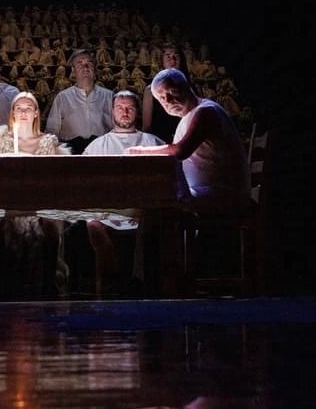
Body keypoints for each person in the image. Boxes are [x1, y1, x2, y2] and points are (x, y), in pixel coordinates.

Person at [127, 68, 249, 213]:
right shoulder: (188, 117)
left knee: (159, 205)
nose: (168, 101)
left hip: (224, 194)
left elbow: (180, 151)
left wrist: (140, 151)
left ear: (186, 87)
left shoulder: (206, 110)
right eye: (161, 98)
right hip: (208, 192)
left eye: (171, 92)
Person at [0, 92, 70, 295]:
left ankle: (47, 284)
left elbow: (54, 180)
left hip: (41, 202)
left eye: (28, 108)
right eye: (19, 109)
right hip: (9, 201)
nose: (23, 113)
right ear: (13, 113)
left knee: (50, 224)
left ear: (36, 113)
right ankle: (4, 286)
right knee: (0, 224)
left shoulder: (48, 142)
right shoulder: (1, 142)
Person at [82, 91, 167, 293]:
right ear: (112, 112)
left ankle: (144, 284)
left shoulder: (153, 143)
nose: (125, 112)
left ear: (138, 111)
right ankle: (110, 283)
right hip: (108, 213)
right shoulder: (97, 146)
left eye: (130, 107)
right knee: (92, 223)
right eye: (120, 108)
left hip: (142, 211)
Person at [45, 49, 113, 154]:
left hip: (102, 151)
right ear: (73, 70)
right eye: (80, 63)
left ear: (94, 68)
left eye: (89, 63)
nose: (85, 67)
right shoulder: (62, 98)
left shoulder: (108, 96)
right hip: (71, 152)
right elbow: (51, 132)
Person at [141, 44, 187, 142]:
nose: (173, 60)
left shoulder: (190, 88)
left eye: (176, 55)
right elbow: (146, 127)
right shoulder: (151, 90)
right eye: (168, 56)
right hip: (159, 141)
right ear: (162, 61)